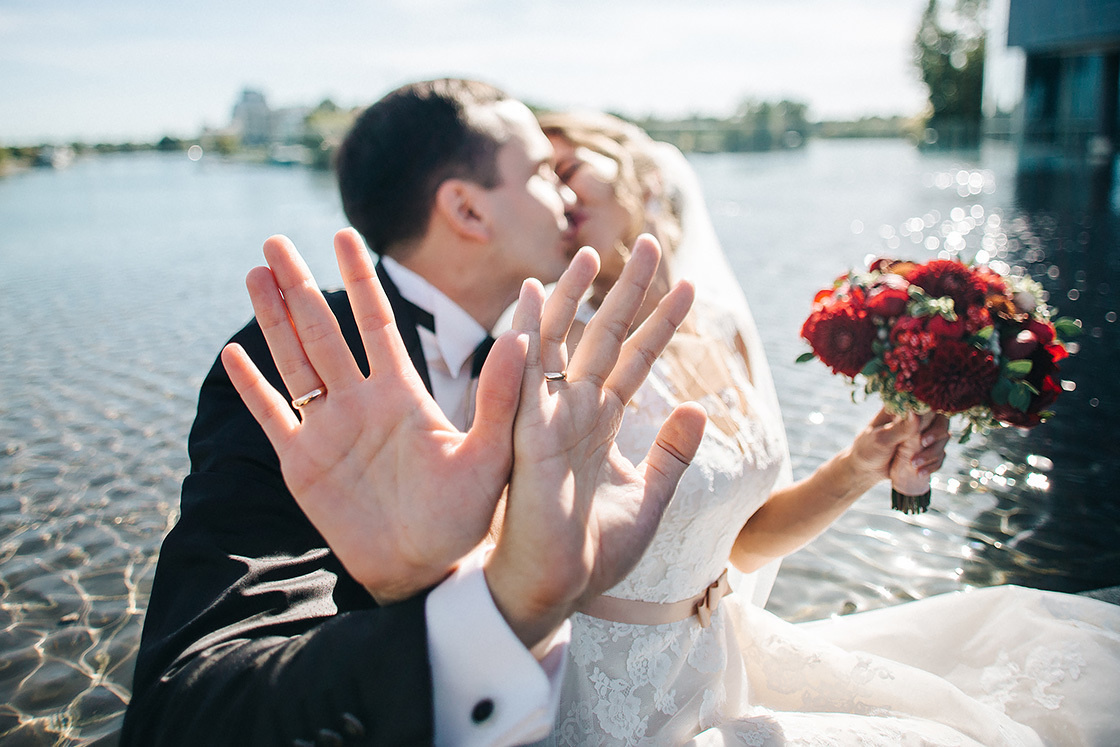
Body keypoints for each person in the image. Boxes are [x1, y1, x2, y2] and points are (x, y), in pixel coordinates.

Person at [121, 79, 707, 747]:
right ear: (467, 209)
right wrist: (499, 608)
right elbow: (182, 713)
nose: (569, 196)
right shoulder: (303, 369)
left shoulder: (555, 351)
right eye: (544, 172)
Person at [531, 110, 1120, 746]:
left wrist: (864, 462)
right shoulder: (558, 352)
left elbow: (744, 544)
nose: (558, 197)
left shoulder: (723, 327)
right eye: (541, 181)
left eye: (568, 170)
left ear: (645, 179)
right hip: (605, 698)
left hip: (715, 664)